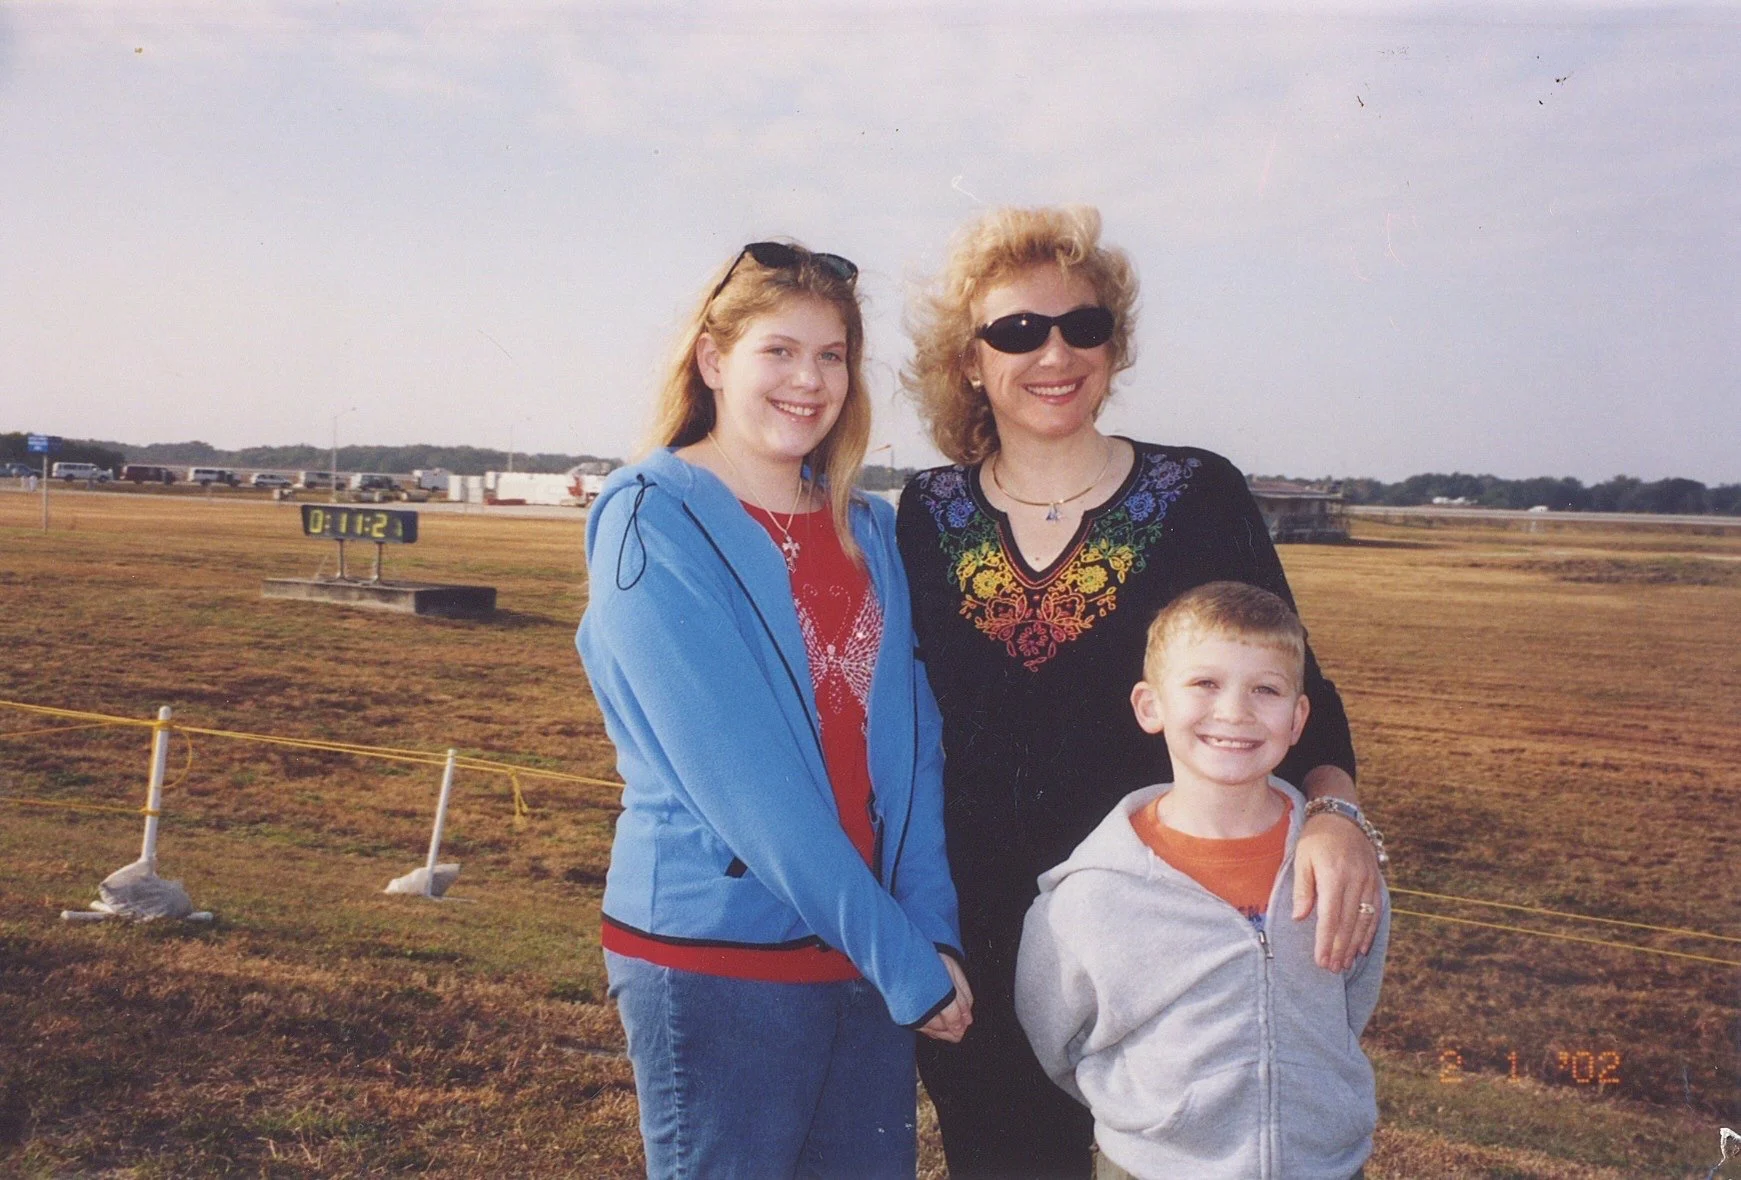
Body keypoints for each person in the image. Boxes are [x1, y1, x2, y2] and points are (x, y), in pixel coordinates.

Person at [897, 205, 1388, 1177]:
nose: (1055, 352)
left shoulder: (1195, 493)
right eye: (1017, 330)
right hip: (979, 949)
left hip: (1173, 956)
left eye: (1084, 325)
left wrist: (1334, 813)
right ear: (968, 358)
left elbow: (1303, 691)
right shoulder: (923, 511)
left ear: (1113, 346)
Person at [578, 240, 972, 1179]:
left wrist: (933, 929)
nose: (809, 380)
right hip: (721, 965)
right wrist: (908, 961)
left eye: (831, 355)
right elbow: (747, 786)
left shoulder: (868, 525)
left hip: (869, 960)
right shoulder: (649, 515)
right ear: (714, 361)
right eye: (779, 351)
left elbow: (911, 750)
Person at [1015, 581, 1389, 1180]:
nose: (1235, 712)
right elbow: (1059, 1040)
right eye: (1205, 684)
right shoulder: (1090, 896)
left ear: (1298, 720)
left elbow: (1348, 1008)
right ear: (1150, 706)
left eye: (1265, 689)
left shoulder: (1339, 866)